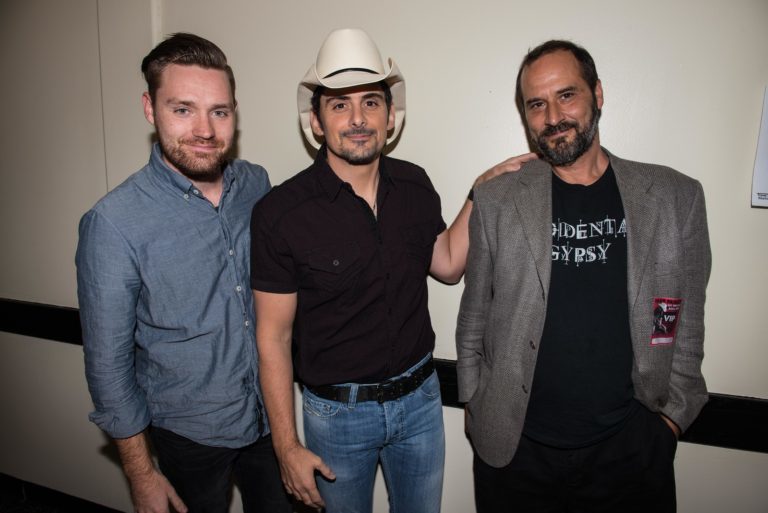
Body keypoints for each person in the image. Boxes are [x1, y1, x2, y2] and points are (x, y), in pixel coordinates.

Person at [250, 28, 534, 513]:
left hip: (420, 403)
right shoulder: (280, 213)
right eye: (339, 105)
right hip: (337, 417)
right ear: (316, 121)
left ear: (390, 115)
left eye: (371, 103)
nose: (357, 119)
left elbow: (445, 264)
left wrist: (479, 191)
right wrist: (286, 446)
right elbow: (272, 339)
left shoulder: (415, 185)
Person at [456, 39, 711, 513]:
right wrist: (473, 402)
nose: (553, 115)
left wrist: (669, 423)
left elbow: (687, 322)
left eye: (567, 95)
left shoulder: (675, 198)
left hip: (632, 453)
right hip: (515, 457)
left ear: (597, 93)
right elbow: (474, 318)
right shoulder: (497, 200)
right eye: (537, 104)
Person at [76, 33, 290, 513]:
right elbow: (107, 366)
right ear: (150, 109)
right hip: (187, 436)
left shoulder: (256, 184)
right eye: (182, 109)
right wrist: (141, 474)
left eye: (220, 111)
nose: (205, 130)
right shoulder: (113, 222)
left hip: (269, 417)